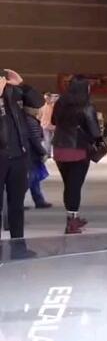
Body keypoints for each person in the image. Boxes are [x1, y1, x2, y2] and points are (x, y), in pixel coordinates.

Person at [52, 76, 102, 234]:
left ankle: (72, 218)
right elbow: (95, 132)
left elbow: (54, 121)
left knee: (68, 185)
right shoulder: (86, 106)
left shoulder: (60, 103)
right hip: (78, 150)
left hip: (60, 148)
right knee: (74, 186)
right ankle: (72, 222)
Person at [0, 69, 45, 243]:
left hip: (18, 155)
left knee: (17, 204)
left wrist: (22, 85)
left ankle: (18, 243)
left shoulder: (13, 92)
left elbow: (38, 103)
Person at [23, 106, 51, 209]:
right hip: (31, 154)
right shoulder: (30, 121)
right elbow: (35, 139)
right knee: (31, 178)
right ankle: (18, 201)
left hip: (28, 153)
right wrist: (43, 152)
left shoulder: (25, 119)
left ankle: (39, 200)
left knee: (34, 178)